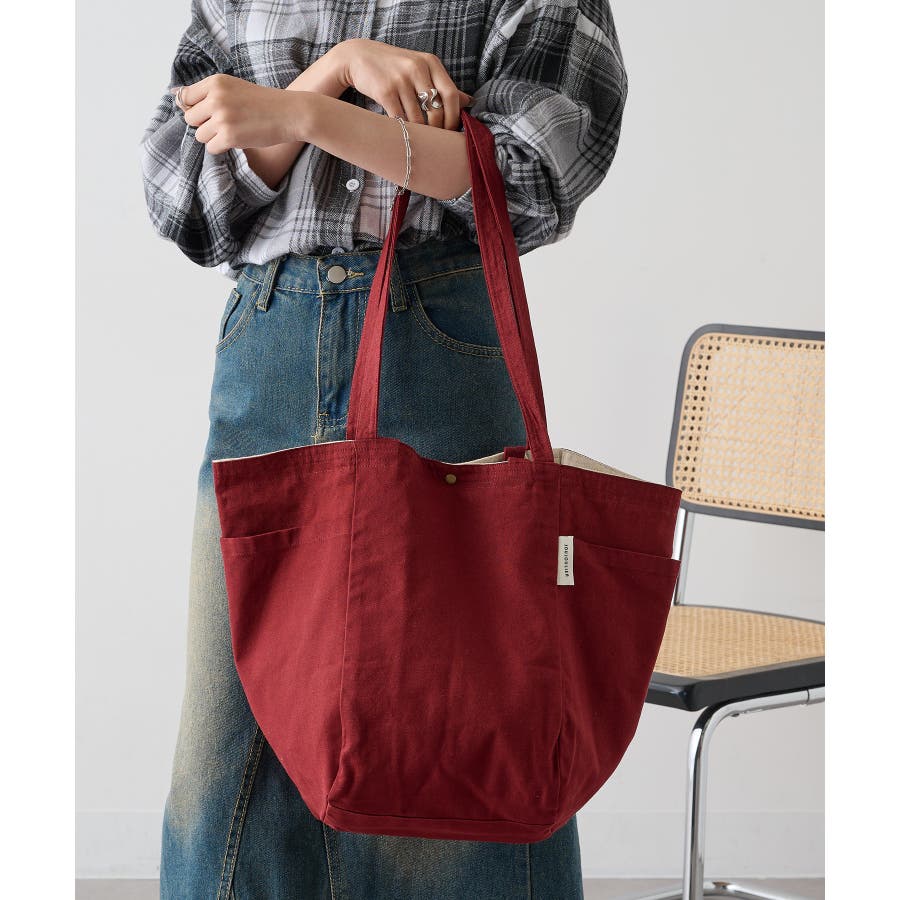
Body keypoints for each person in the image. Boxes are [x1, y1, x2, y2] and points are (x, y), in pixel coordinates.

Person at [138, 1, 628, 896]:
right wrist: (336, 69)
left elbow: (526, 176)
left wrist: (303, 113)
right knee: (227, 755)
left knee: (452, 731)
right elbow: (184, 190)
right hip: (269, 345)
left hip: (435, 339)